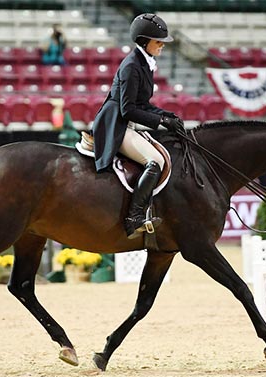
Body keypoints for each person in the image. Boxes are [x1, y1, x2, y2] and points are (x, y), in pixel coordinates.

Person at [91, 13, 185, 239]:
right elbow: (128, 110)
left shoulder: (144, 63)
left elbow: (142, 104)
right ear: (145, 42)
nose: (162, 45)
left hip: (128, 122)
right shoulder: (132, 66)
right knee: (156, 161)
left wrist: (167, 116)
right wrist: (160, 122)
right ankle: (134, 217)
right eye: (158, 41)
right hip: (117, 124)